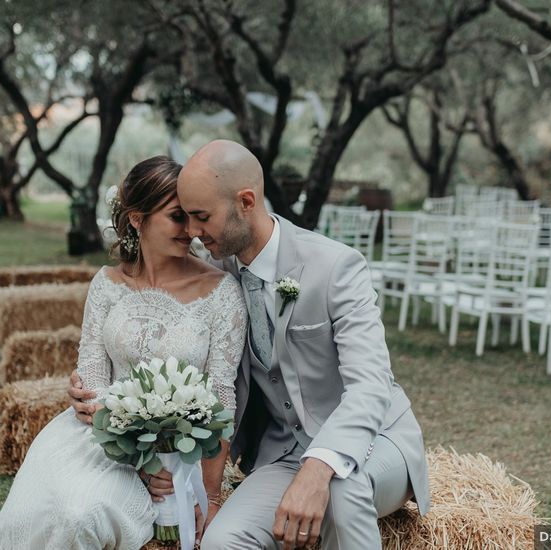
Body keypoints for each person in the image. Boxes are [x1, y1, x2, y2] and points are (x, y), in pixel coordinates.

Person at [71, 140, 430, 550]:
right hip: (281, 456)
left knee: (342, 490)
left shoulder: (336, 266)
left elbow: (370, 386)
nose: (192, 232)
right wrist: (97, 386)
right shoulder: (217, 277)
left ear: (245, 201)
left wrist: (319, 468)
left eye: (201, 217)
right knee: (221, 542)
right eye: (185, 217)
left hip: (373, 443)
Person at [0, 156, 247, 549]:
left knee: (80, 517)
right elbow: (91, 385)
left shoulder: (222, 293)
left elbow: (223, 399)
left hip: (182, 456)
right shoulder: (105, 285)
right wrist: (140, 459)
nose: (191, 230)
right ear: (137, 219)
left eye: (194, 216)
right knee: (42, 511)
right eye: (177, 216)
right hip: (99, 440)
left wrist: (208, 494)